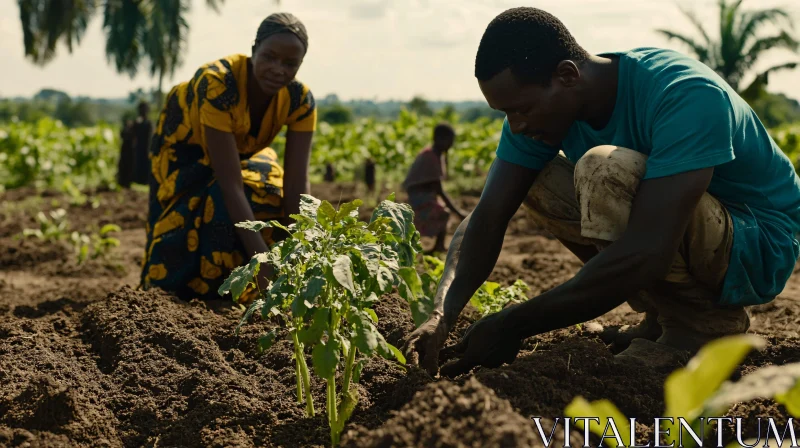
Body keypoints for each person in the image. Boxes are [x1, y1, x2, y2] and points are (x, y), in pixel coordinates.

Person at [403, 7, 800, 376]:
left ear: (568, 76)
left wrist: (513, 324)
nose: (516, 125)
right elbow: (488, 215)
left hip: (757, 240)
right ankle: (661, 313)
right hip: (681, 230)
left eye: (522, 109)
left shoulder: (684, 93)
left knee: (603, 168)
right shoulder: (543, 116)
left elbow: (647, 251)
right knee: (537, 180)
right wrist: (442, 315)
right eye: (506, 113)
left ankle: (702, 327)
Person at [139, 12, 316, 300]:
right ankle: (179, 293)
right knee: (206, 208)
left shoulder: (300, 101)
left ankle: (239, 288)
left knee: (269, 191)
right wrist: (264, 262)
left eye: (290, 64)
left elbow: (297, 185)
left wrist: (300, 250)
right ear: (254, 50)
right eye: (269, 57)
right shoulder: (219, 85)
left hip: (241, 152)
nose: (278, 69)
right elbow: (229, 183)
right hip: (184, 154)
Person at [402, 123, 467, 254]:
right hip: (418, 197)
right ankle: (438, 246)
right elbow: (439, 190)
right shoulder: (430, 156)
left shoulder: (435, 154)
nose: (451, 144)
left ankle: (437, 245)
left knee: (443, 211)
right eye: (449, 141)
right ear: (439, 139)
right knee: (444, 212)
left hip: (424, 194)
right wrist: (459, 212)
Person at [132, 101, 153, 185]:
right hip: (139, 147)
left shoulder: (149, 123)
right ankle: (138, 180)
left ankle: (145, 180)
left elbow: (150, 138)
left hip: (146, 148)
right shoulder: (137, 123)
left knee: (146, 165)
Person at [117, 119, 135, 188]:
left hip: (129, 153)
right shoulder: (125, 131)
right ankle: (122, 182)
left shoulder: (131, 132)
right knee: (123, 166)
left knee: (128, 167)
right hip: (125, 152)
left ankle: (127, 182)